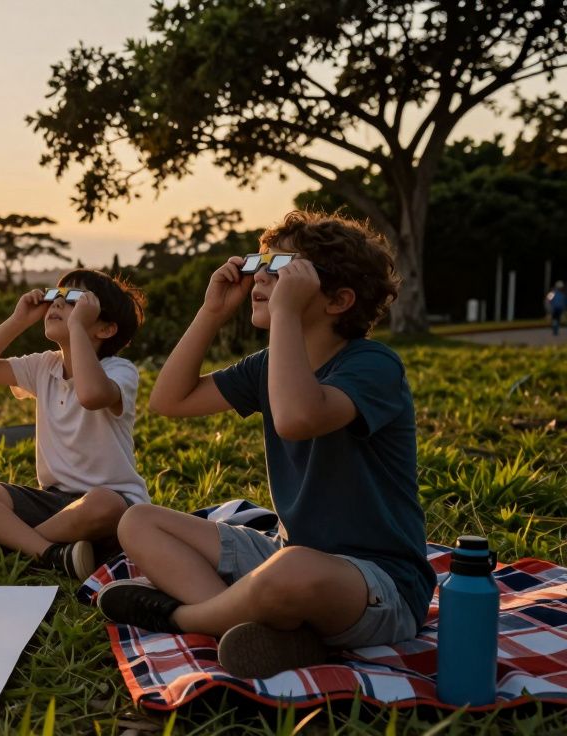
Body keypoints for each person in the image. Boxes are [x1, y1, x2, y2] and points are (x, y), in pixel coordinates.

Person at [98, 211, 434, 680]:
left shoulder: (374, 365)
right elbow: (170, 400)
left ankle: (184, 616)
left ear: (338, 299)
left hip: (380, 584)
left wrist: (284, 314)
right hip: (286, 556)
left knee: (291, 571)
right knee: (139, 520)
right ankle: (269, 626)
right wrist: (212, 311)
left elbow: (298, 418)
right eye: (261, 263)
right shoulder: (269, 365)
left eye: (283, 271)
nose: (260, 276)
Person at [0, 269, 149, 580]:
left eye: (74, 300)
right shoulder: (44, 365)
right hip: (52, 501)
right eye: (56, 296)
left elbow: (91, 395)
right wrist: (19, 320)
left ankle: (5, 542)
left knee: (103, 503)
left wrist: (76, 326)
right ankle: (51, 553)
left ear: (105, 329)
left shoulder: (120, 370)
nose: (58, 303)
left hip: (112, 507)